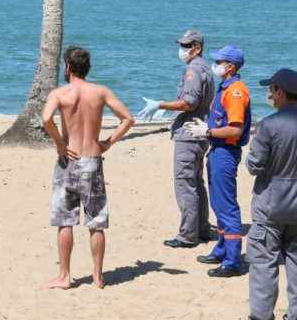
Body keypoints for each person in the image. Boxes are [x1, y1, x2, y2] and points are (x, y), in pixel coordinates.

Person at [42, 46, 134, 289]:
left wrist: (60, 144)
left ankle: (64, 276)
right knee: (96, 222)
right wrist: (108, 143)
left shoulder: (60, 93)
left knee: (65, 221)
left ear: (68, 67)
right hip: (92, 160)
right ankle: (97, 276)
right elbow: (128, 119)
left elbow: (45, 119)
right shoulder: (100, 92)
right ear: (87, 67)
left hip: (68, 161)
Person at [236, 69, 297, 320]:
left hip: (271, 205)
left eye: (271, 89)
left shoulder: (269, 125)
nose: (269, 94)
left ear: (279, 92)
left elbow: (254, 166)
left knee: (264, 264)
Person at [138, 30, 215, 248]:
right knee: (196, 182)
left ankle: (188, 235)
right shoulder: (206, 68)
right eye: (181, 44)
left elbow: (189, 102)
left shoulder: (193, 70)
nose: (182, 49)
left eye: (186, 45)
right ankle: (201, 228)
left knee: (185, 184)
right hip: (199, 132)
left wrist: (160, 104)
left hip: (190, 135)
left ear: (197, 48)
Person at [184, 45, 251, 277]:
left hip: (225, 152)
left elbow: (234, 129)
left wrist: (208, 132)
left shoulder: (235, 92)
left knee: (227, 206)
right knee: (218, 204)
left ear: (230, 67)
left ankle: (232, 260)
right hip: (218, 151)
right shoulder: (226, 88)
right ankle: (222, 249)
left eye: (220, 62)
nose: (216, 65)